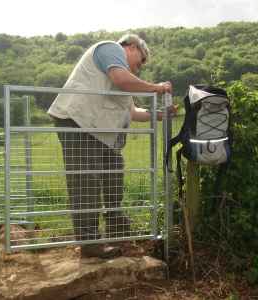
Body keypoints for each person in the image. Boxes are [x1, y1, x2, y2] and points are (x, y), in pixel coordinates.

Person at [48, 34, 175, 259]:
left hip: (98, 133)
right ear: (133, 46)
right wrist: (156, 88)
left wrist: (160, 114)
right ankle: (89, 244)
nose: (140, 67)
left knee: (114, 171)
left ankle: (117, 230)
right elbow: (122, 79)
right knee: (85, 182)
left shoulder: (122, 74)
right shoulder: (112, 50)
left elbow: (133, 112)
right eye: (142, 60)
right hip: (78, 122)